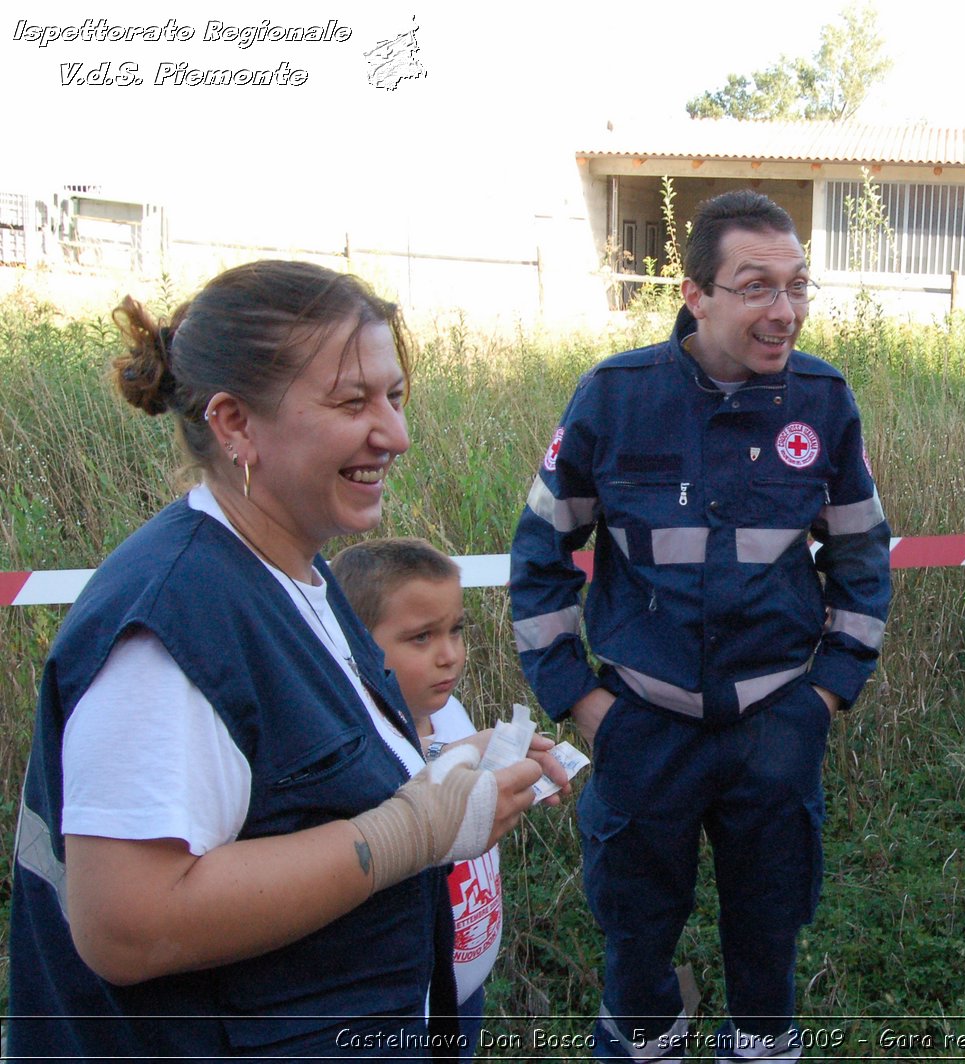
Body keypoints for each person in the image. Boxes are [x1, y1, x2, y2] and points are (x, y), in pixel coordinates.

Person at [5, 260, 568, 1059]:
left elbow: (304, 784)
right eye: (352, 402)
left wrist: (445, 766)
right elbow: (124, 927)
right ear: (234, 424)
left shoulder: (298, 573)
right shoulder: (172, 630)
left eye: (396, 397)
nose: (396, 435)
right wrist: (411, 830)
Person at [509, 188, 891, 1063]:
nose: (784, 310)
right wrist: (579, 701)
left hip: (776, 727)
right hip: (643, 728)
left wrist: (826, 695)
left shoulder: (823, 402)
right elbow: (539, 557)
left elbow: (863, 561)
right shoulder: (614, 397)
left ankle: (759, 1046)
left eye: (798, 286)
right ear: (696, 293)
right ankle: (648, 1045)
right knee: (636, 934)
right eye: (757, 286)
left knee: (770, 928)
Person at [331, 537, 504, 1058]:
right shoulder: (358, 750)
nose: (449, 656)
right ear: (356, 642)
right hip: (404, 1013)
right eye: (421, 638)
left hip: (464, 990)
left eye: (456, 631)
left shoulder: (451, 714)